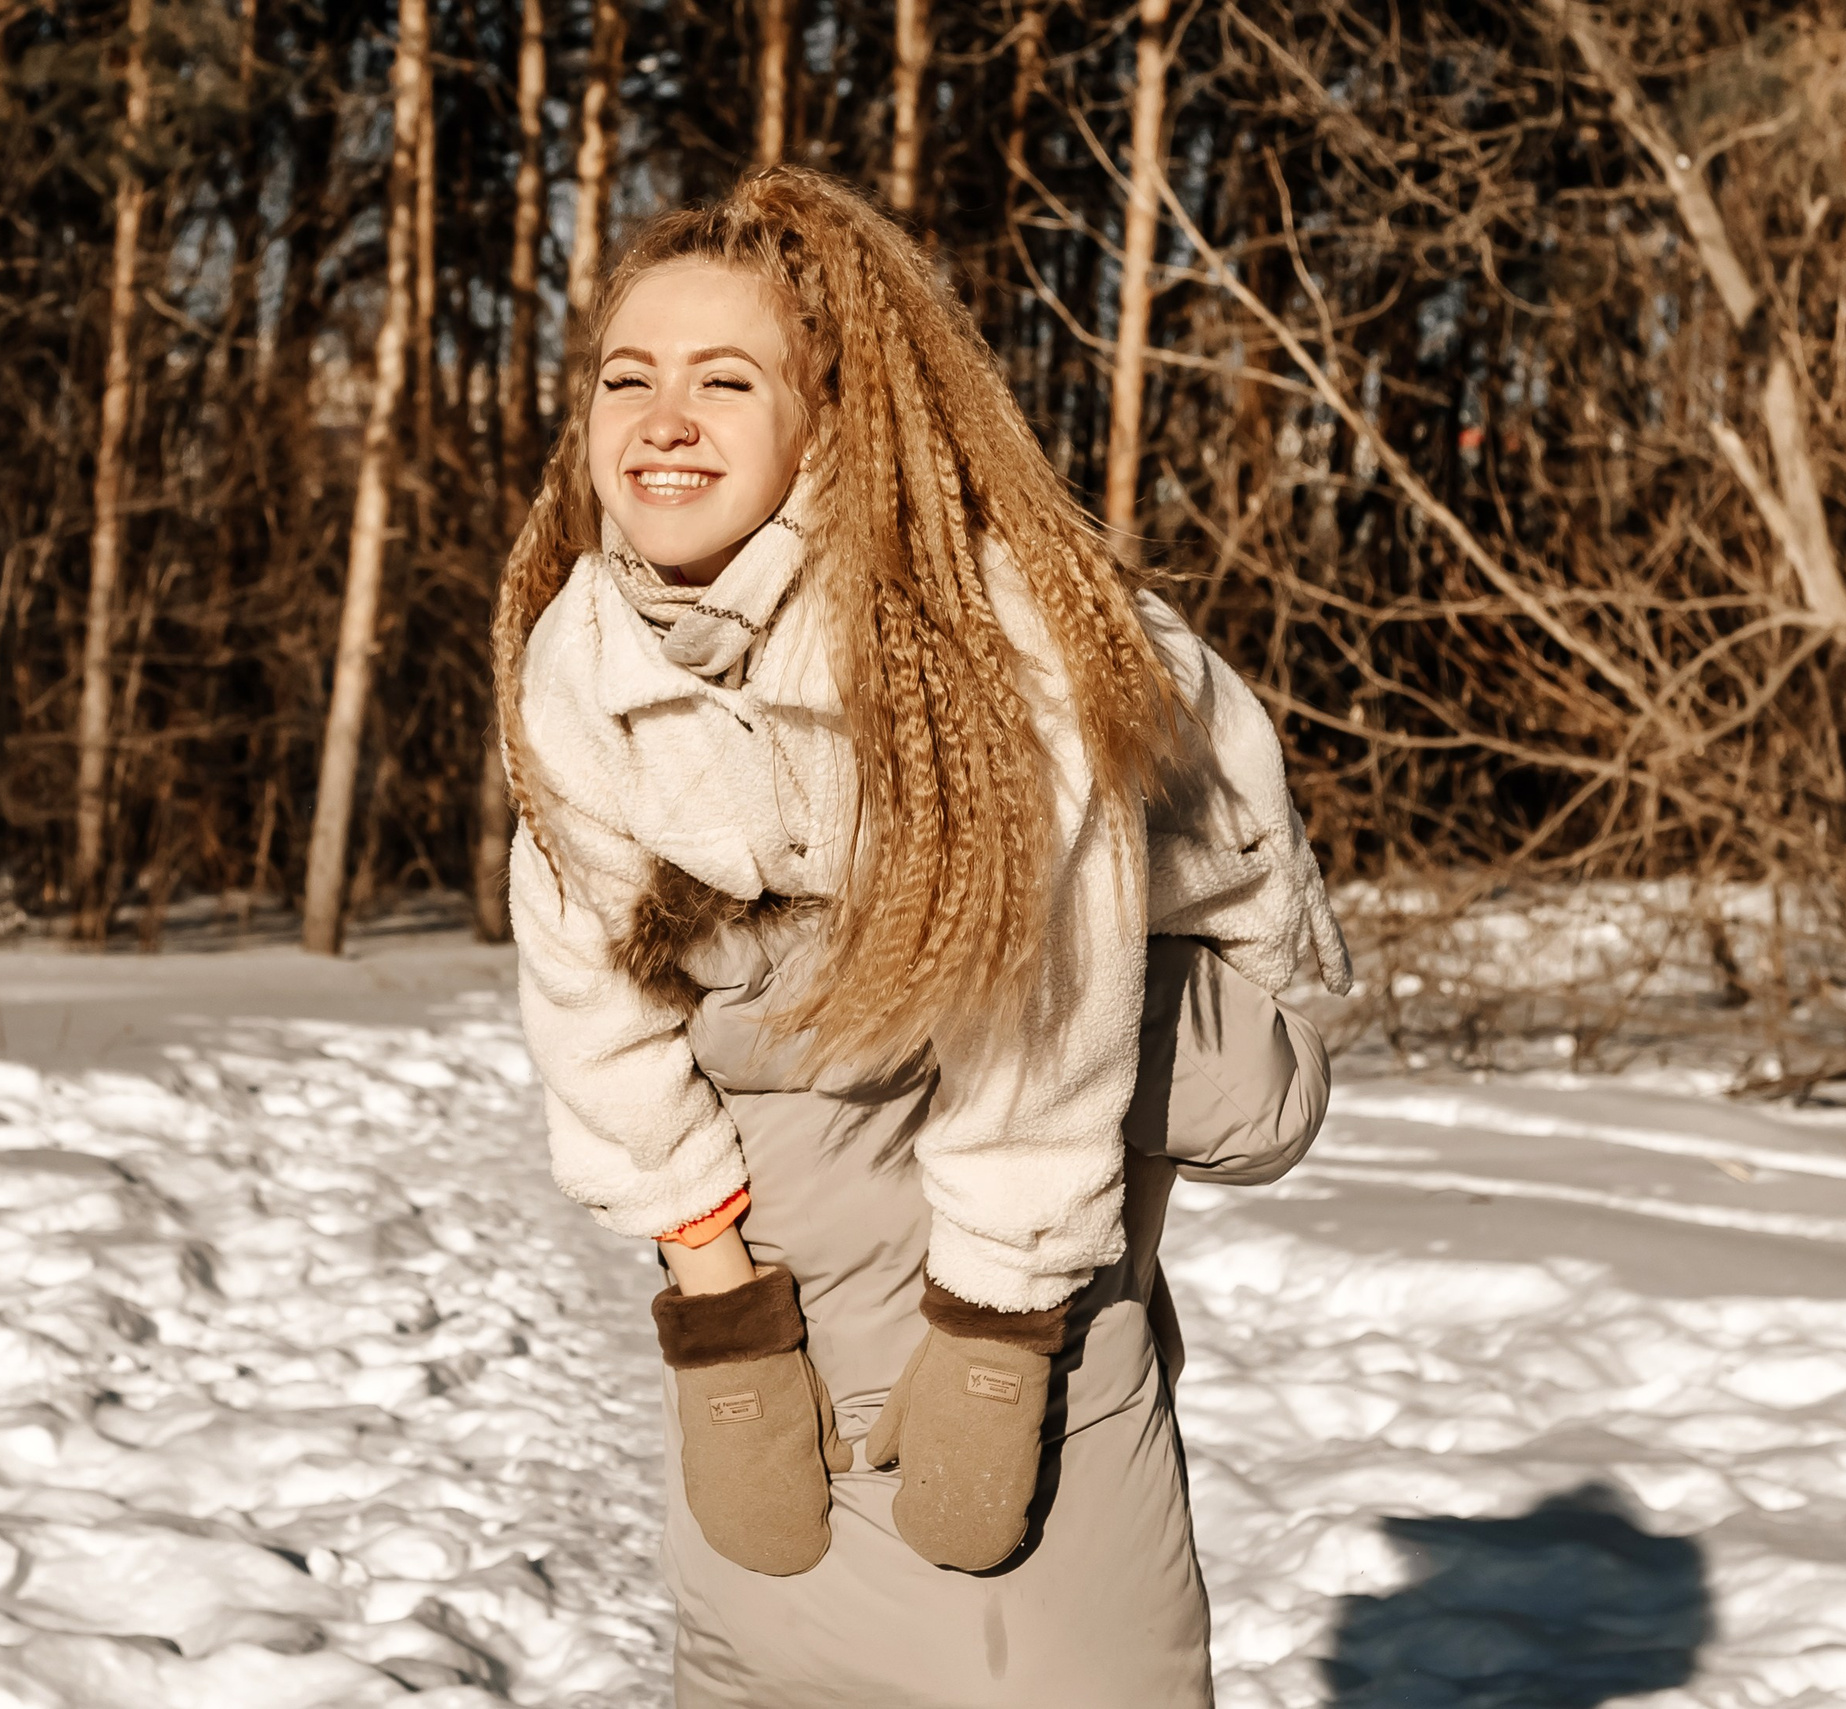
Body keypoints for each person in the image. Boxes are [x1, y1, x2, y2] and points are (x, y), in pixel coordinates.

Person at [493, 166, 1348, 1707]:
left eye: (725, 379)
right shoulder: (578, 656)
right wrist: (715, 1296)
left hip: (1181, 977)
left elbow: (1057, 974)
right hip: (940, 1035)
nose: (663, 417)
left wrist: (1002, 1322)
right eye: (630, 377)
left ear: (834, 422)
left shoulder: (964, 624)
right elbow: (584, 986)